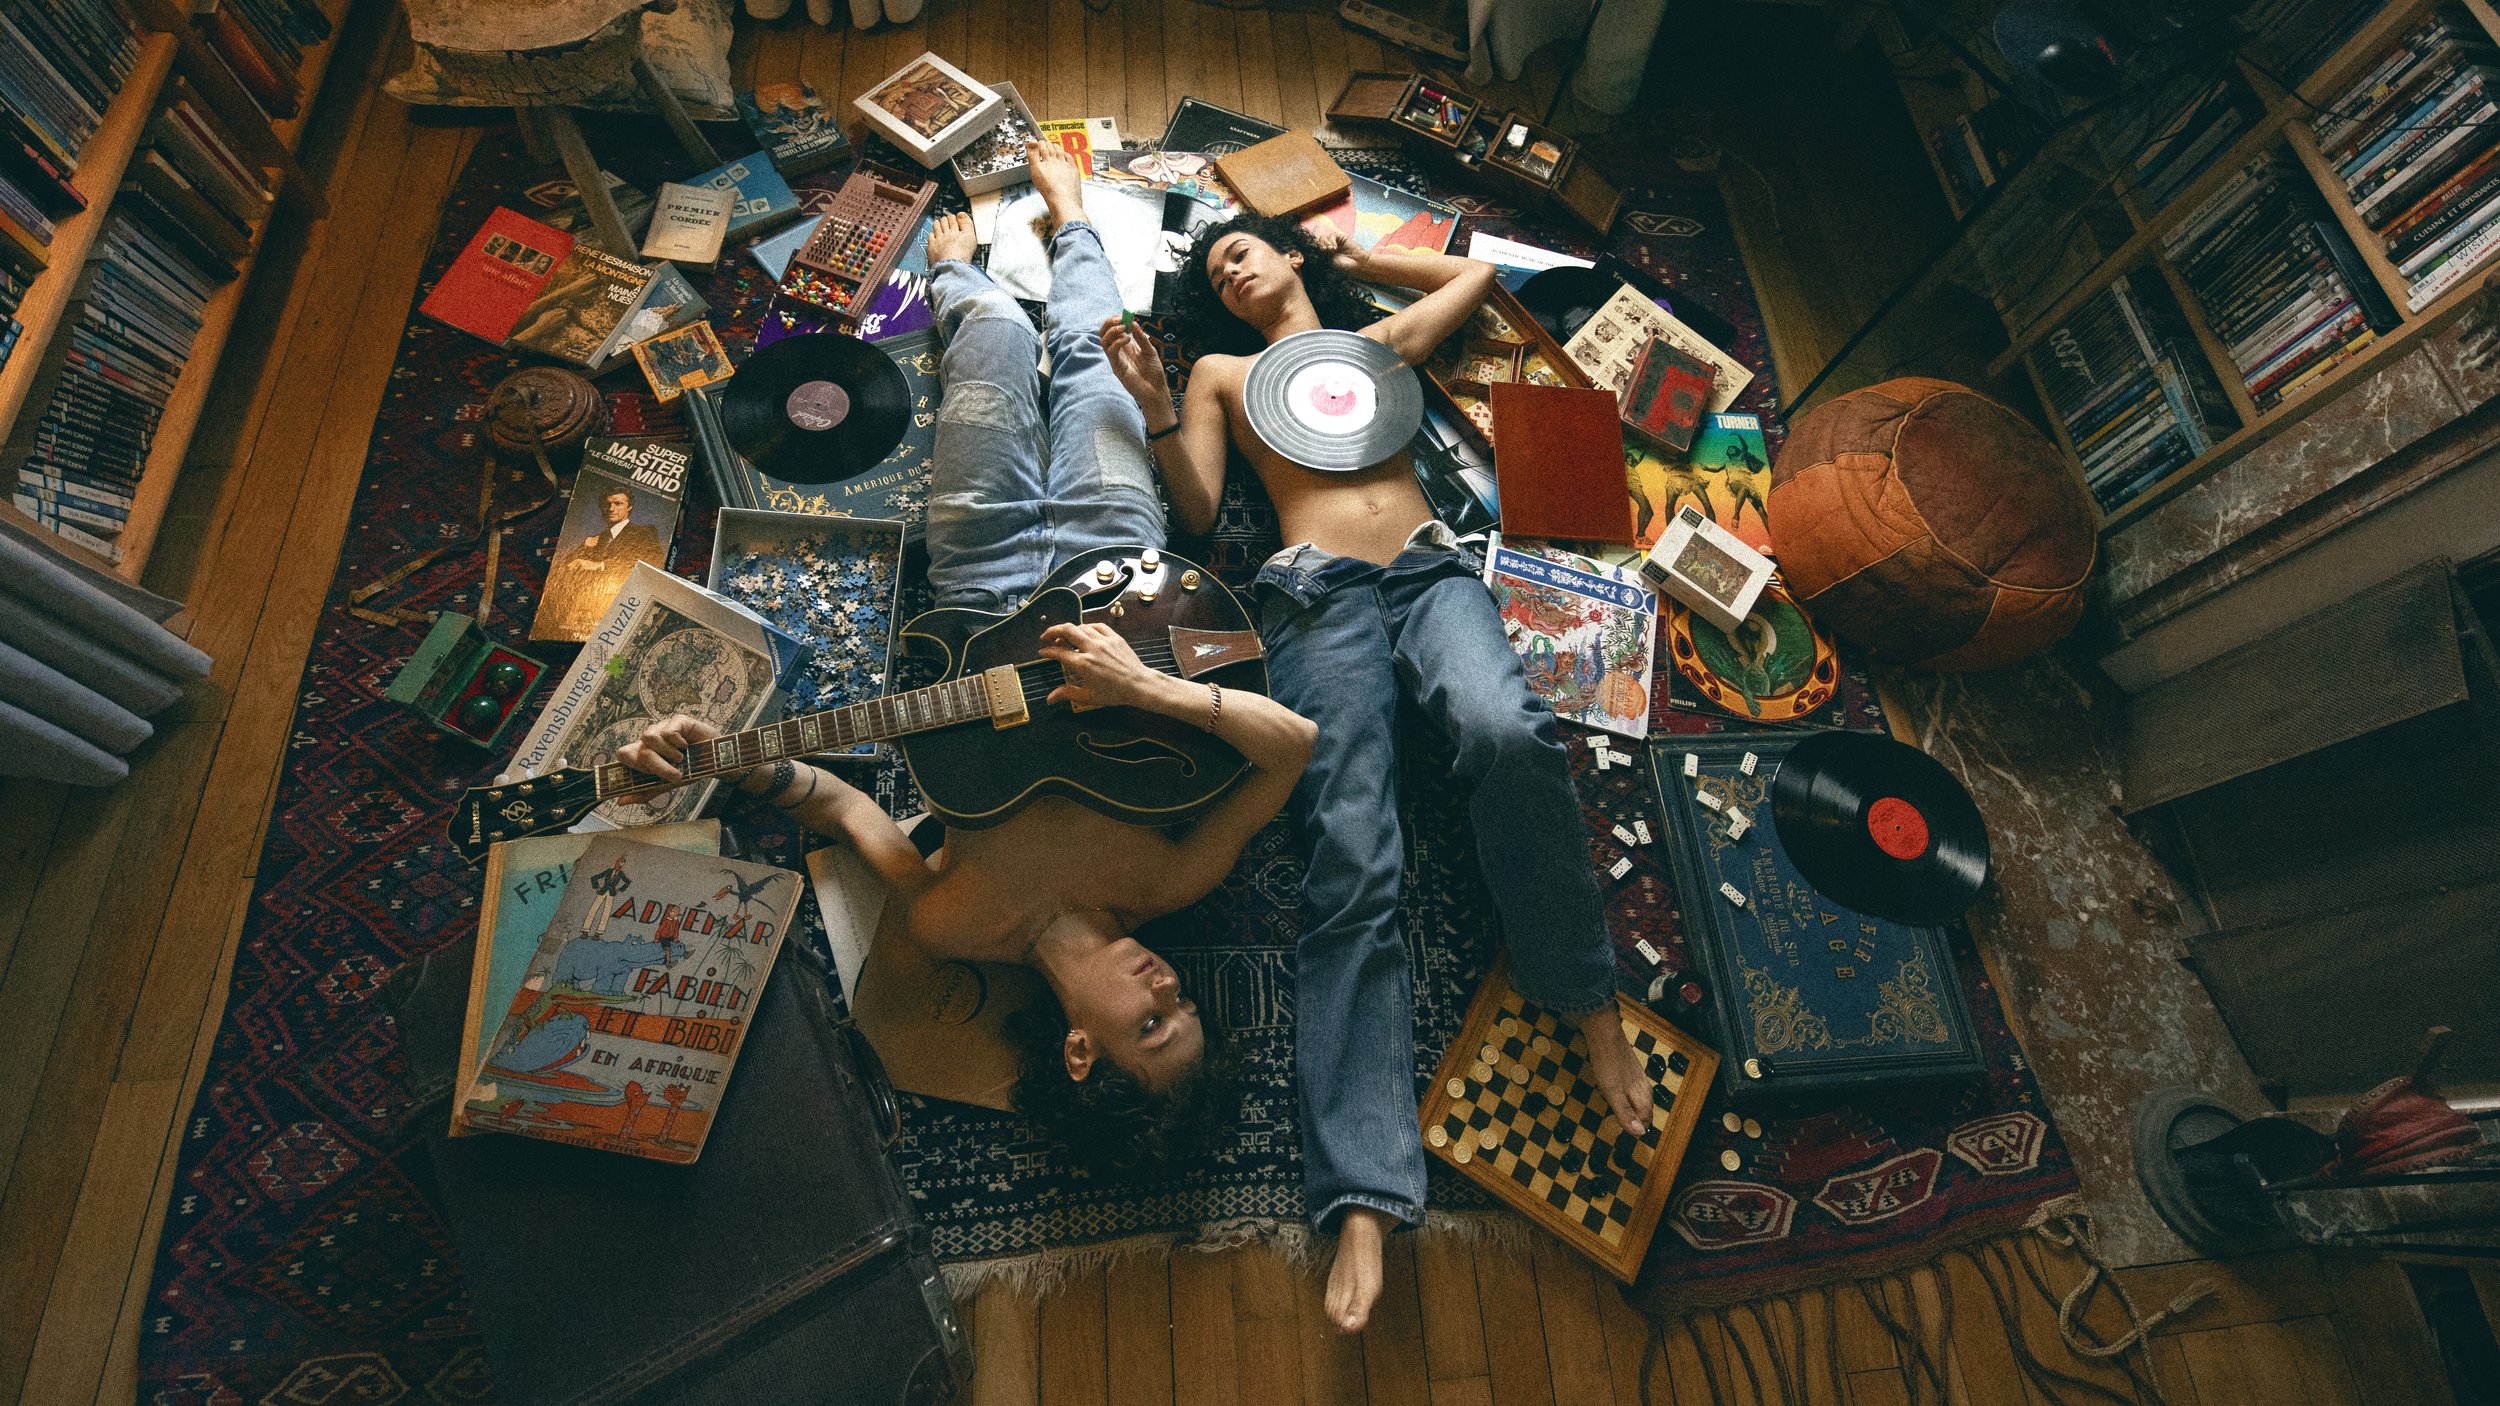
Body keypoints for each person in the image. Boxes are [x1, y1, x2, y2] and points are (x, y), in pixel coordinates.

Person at [614, 143, 1318, 1176]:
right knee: (1086, 351)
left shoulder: (952, 922)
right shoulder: (1169, 876)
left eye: (1154, 1022)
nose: (1170, 985)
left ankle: (956, 273)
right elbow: (1290, 747)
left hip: (978, 592)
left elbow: (841, 805)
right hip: (1117, 568)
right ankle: (1070, 212)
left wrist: (730, 758)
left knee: (986, 341)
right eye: (1186, 1003)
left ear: (1081, 1051)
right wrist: (1143, 686)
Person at [1094, 214, 1654, 1332]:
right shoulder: (1222, 368)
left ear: (1290, 257)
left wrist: (1350, 258)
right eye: (1215, 269)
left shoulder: (1379, 341)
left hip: (1428, 572)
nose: (1232, 267)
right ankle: (1361, 1185)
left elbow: (1484, 271)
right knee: (1349, 847)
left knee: (1506, 733)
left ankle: (1584, 994)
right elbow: (1201, 513)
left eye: (1246, 249)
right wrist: (1159, 406)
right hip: (1313, 593)